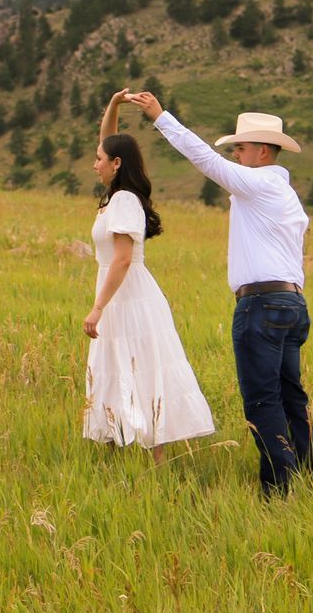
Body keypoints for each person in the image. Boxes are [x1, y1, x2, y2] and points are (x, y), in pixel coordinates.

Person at [125, 93, 313, 496]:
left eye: (241, 148)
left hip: (260, 305)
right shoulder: (285, 193)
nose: (236, 155)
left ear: (263, 151)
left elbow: (205, 160)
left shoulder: (257, 183)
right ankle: (309, 475)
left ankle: (279, 490)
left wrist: (161, 117)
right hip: (292, 303)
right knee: (290, 394)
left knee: (262, 400)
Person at [81, 90, 216, 461]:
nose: (95, 164)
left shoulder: (124, 200)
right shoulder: (117, 194)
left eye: (99, 160)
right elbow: (107, 142)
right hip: (119, 295)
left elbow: (122, 259)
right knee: (113, 368)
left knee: (143, 370)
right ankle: (114, 452)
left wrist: (97, 308)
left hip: (128, 297)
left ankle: (155, 461)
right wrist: (112, 105)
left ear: (117, 164)